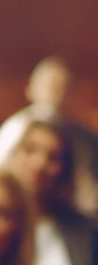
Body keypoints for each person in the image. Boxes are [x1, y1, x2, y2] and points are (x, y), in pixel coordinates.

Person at [0, 110, 96, 265]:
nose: (39, 163)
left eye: (53, 157)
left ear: (64, 168)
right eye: (30, 150)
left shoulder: (83, 231)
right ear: (13, 153)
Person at [25, 57, 98, 217]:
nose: (58, 93)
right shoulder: (16, 129)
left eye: (64, 87)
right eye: (51, 86)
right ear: (30, 89)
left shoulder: (86, 139)